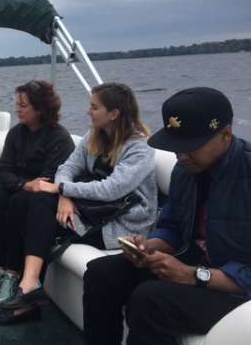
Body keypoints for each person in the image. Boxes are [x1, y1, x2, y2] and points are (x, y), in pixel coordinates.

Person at [82, 87, 251, 345]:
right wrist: (149, 246)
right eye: (176, 147)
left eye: (190, 147)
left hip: (238, 291)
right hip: (198, 264)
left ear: (226, 134)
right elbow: (172, 226)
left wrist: (193, 275)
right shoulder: (186, 170)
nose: (181, 156)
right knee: (101, 273)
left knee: (150, 300)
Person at [0, 82, 157, 325]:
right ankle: (28, 285)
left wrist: (61, 189)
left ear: (114, 114)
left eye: (94, 107)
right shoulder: (94, 136)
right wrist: (65, 196)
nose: (88, 111)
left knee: (37, 212)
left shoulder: (140, 150)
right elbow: (66, 168)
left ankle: (28, 293)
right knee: (30, 204)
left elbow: (112, 189)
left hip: (120, 225)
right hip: (93, 213)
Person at [0, 80, 75, 306]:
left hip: (44, 198)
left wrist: (26, 187)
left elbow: (50, 180)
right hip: (21, 187)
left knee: (20, 202)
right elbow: (3, 171)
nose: (17, 109)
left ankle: (13, 273)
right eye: (17, 104)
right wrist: (23, 184)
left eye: (23, 106)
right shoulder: (16, 134)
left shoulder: (59, 138)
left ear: (40, 109)